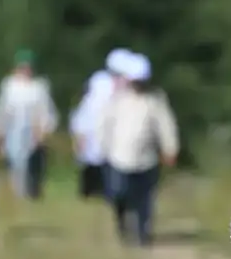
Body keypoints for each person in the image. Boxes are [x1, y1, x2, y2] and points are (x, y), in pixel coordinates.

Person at [99, 52, 179, 247]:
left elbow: (165, 125)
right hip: (119, 158)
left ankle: (143, 235)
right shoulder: (117, 99)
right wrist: (104, 148)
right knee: (119, 195)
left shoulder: (155, 100)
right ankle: (122, 224)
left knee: (144, 200)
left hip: (146, 160)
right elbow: (105, 124)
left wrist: (170, 148)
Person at [0, 49, 58, 200]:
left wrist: (44, 129)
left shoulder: (39, 87)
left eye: (28, 67)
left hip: (33, 131)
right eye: (22, 67)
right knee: (16, 163)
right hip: (13, 131)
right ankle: (18, 193)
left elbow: (47, 110)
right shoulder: (9, 86)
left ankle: (31, 192)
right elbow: (1, 109)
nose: (26, 70)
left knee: (32, 164)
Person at [70, 70, 115, 198]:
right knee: (94, 168)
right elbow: (80, 123)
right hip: (94, 142)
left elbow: (78, 123)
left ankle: (94, 191)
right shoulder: (90, 102)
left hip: (100, 144)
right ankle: (92, 192)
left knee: (97, 168)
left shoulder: (90, 102)